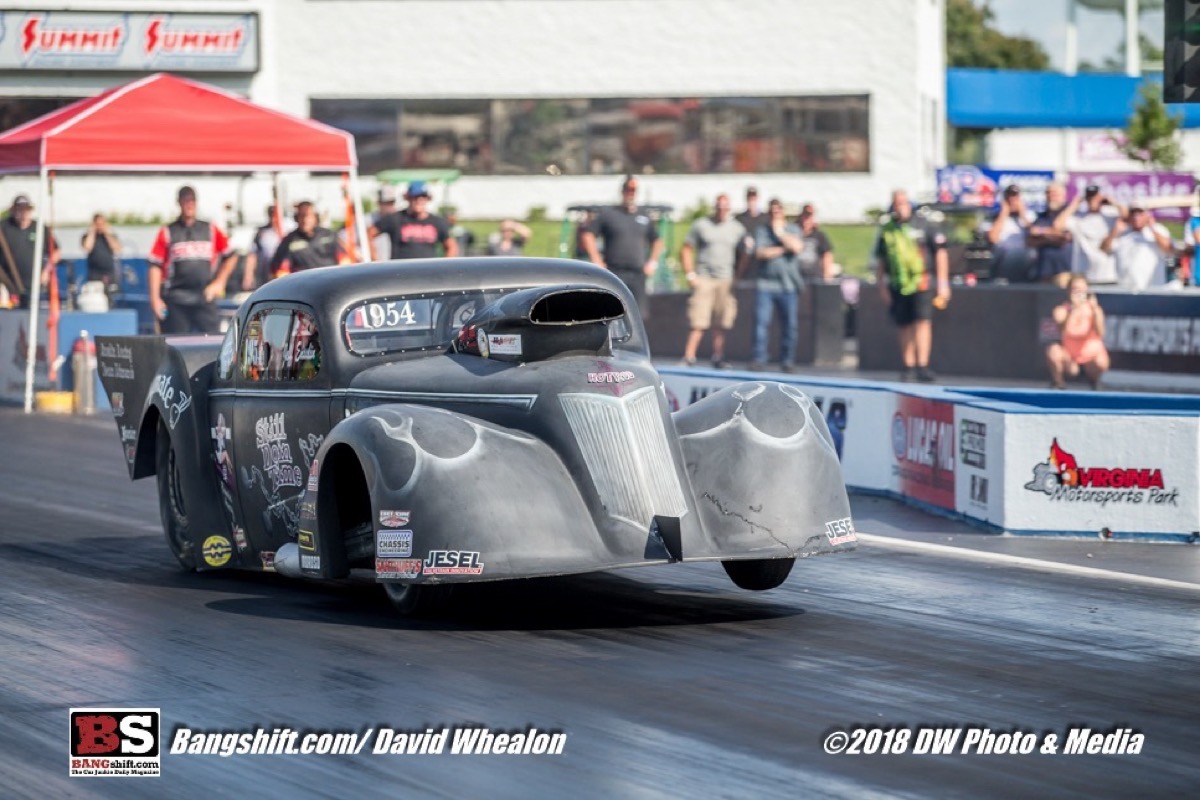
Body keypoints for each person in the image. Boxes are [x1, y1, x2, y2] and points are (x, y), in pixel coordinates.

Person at [874, 189, 950, 383]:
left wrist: (943, 283)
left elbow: (940, 253)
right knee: (904, 324)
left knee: (922, 322)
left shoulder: (923, 224)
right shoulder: (888, 229)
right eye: (897, 203)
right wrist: (881, 286)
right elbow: (881, 260)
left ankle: (923, 365)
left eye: (904, 202)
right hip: (899, 283)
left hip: (921, 281)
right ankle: (908, 365)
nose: (901, 207)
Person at [148, 185, 238, 334]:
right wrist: (155, 299)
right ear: (179, 203)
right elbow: (155, 265)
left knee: (212, 342)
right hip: (176, 299)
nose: (189, 205)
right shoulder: (168, 231)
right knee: (176, 343)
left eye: (192, 201)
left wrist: (219, 282)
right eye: (186, 201)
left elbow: (231, 256)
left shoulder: (210, 229)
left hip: (204, 296)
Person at [580, 176, 664, 315]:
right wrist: (597, 260)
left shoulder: (644, 215)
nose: (630, 193)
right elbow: (588, 235)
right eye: (628, 189)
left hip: (637, 273)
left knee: (638, 314)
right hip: (614, 272)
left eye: (633, 190)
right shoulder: (609, 214)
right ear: (623, 191)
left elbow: (657, 240)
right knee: (613, 311)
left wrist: (653, 262)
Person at [679, 193, 746, 368]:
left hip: (725, 278)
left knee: (721, 322)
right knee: (698, 320)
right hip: (704, 277)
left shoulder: (737, 228)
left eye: (725, 207)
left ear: (729, 208)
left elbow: (745, 253)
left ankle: (718, 356)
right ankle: (689, 356)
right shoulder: (701, 225)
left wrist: (738, 275)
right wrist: (690, 274)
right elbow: (686, 249)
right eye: (719, 206)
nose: (721, 210)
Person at [749, 198, 804, 372]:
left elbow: (797, 247)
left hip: (788, 286)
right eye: (772, 210)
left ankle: (787, 360)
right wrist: (783, 248)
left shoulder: (793, 229)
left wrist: (779, 233)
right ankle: (759, 359)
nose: (775, 213)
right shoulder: (762, 231)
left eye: (778, 210)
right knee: (761, 324)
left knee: (790, 325)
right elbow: (761, 253)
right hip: (766, 284)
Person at [1045, 274, 1109, 390]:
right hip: (1070, 356)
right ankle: (1058, 383)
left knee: (1101, 361)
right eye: (1075, 290)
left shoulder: (1094, 309)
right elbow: (1062, 331)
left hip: (1090, 355)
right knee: (1053, 350)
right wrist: (1073, 310)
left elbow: (1101, 333)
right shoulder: (1062, 310)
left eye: (1082, 290)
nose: (1079, 293)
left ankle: (1095, 381)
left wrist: (1094, 310)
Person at [368, 180, 458, 259]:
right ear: (408, 198)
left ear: (428, 199)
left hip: (427, 270)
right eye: (415, 197)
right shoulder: (396, 218)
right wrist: (375, 260)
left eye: (423, 197)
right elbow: (369, 234)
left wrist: (443, 267)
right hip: (401, 271)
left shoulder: (436, 222)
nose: (419, 200)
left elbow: (451, 246)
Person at [1054, 184, 1123, 285]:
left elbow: (1128, 217)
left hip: (1108, 274)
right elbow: (1058, 225)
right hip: (1085, 275)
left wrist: (1113, 203)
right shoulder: (1078, 218)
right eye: (1089, 198)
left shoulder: (1111, 217)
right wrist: (1074, 205)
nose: (1092, 200)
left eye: (1095, 197)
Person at [0, 194, 58, 309]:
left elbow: (56, 252)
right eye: (19, 210)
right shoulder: (4, 227)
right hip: (9, 285)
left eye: (25, 210)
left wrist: (46, 270)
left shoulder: (40, 228)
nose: (22, 213)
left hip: (36, 284)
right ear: (13, 211)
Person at [1105, 204, 1172, 291]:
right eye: (1133, 214)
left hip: (1152, 288)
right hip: (1126, 288)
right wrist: (1115, 231)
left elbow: (1168, 248)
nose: (1136, 217)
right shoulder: (1122, 232)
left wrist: (1152, 228)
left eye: (1140, 214)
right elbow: (1104, 249)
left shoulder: (1157, 230)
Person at [269, 202, 341, 278]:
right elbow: (279, 270)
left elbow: (344, 260)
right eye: (301, 216)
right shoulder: (289, 241)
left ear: (315, 217)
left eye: (308, 216)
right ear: (296, 218)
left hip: (330, 279)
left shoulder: (329, 235)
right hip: (304, 282)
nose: (305, 220)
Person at [984, 184, 1036, 282]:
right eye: (1009, 198)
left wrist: (1022, 215)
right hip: (1003, 263)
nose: (1012, 201)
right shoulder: (995, 218)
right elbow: (992, 238)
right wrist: (1003, 213)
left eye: (1015, 198)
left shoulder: (1030, 216)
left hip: (1024, 263)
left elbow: (1034, 234)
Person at [1027, 182, 1074, 288]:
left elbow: (1063, 238)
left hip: (1064, 271)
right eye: (1048, 193)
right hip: (1044, 271)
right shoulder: (1042, 217)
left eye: (1054, 193)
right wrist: (1052, 236)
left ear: (1063, 195)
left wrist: (1042, 233)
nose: (1051, 196)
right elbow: (1031, 240)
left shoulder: (1070, 214)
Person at [81, 213, 122, 288]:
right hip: (94, 273)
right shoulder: (87, 236)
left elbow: (117, 248)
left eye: (102, 224)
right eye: (98, 224)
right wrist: (92, 232)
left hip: (109, 272)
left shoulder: (111, 235)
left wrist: (107, 233)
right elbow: (87, 248)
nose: (100, 226)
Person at [795, 203, 834, 283]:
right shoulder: (794, 233)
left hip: (814, 275)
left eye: (809, 217)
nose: (806, 221)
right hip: (797, 275)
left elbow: (827, 254)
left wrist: (827, 274)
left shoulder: (819, 236)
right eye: (805, 217)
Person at [371, 186, 398, 260]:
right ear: (379, 203)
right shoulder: (367, 220)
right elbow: (344, 238)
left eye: (391, 203)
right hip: (371, 264)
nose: (389, 207)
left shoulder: (397, 219)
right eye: (386, 203)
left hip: (390, 263)